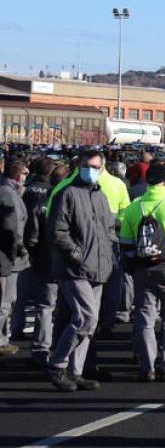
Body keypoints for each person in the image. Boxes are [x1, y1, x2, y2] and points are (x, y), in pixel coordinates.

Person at [117, 160, 165, 382]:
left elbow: (126, 242)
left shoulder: (134, 207)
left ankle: (146, 365)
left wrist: (135, 265)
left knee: (144, 317)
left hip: (143, 269)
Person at [47, 149, 115, 392]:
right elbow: (57, 232)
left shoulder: (101, 197)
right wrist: (77, 254)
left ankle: (75, 371)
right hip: (74, 268)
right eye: (87, 165)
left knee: (88, 322)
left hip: (99, 267)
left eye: (96, 166)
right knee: (86, 318)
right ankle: (57, 364)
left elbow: (108, 230)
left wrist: (109, 255)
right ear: (79, 165)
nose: (91, 170)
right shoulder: (67, 194)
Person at [21, 157, 57, 367]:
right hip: (69, 263)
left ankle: (41, 349)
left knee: (44, 305)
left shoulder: (39, 205)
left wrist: (33, 252)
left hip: (44, 260)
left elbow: (33, 237)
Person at [0, 158, 29, 357]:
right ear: (19, 176)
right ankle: (1, 341)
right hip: (7, 258)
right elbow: (15, 228)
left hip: (6, 255)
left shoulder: (6, 192)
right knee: (5, 301)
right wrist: (21, 250)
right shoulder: (11, 197)